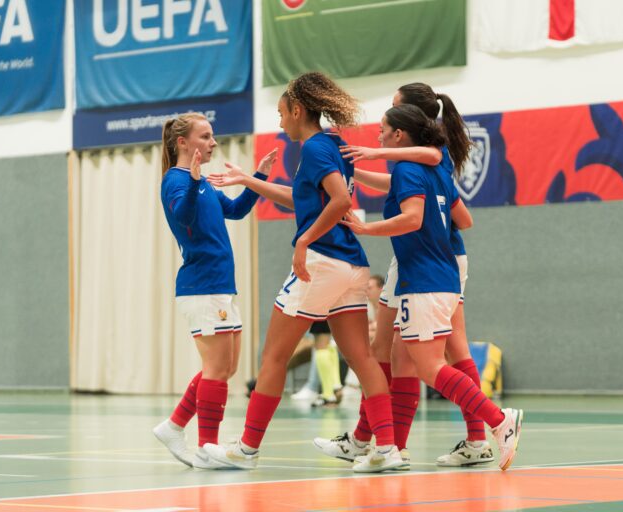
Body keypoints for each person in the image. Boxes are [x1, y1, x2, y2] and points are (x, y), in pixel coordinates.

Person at [202, 72, 402, 473]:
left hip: (322, 262)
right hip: (353, 264)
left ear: (297, 110)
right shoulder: (332, 143)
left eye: (280, 113)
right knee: (362, 358)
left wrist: (303, 241)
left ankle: (247, 449)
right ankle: (388, 449)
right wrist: (248, 180)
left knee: (273, 357)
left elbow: (341, 198)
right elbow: (303, 200)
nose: (279, 122)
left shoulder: (313, 148)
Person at [315, 84, 500, 468]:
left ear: (407, 122)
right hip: (442, 258)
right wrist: (357, 169)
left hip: (426, 261)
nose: (383, 120)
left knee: (394, 354)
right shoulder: (417, 162)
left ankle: (379, 441)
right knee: (420, 354)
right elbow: (462, 217)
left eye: (393, 109)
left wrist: (374, 156)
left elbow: (428, 177)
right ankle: (396, 442)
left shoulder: (425, 154)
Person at [152, 113, 275, 469]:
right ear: (183, 143)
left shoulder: (203, 183)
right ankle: (207, 447)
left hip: (220, 286)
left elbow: (235, 210)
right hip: (201, 286)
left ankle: (174, 426)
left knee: (225, 367)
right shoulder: (175, 182)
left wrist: (259, 176)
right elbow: (184, 216)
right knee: (217, 368)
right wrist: (192, 182)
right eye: (205, 136)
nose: (213, 143)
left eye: (212, 136)